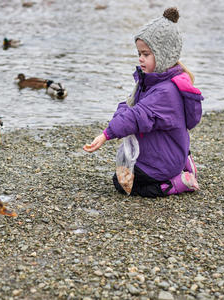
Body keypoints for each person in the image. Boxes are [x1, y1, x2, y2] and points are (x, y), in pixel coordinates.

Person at [83, 7, 204, 198]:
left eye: (146, 54)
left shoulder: (166, 92)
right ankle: (184, 161)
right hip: (166, 149)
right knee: (123, 174)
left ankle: (175, 183)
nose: (140, 58)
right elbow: (130, 106)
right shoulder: (151, 81)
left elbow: (137, 115)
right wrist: (119, 119)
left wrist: (107, 134)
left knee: (123, 184)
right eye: (139, 53)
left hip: (164, 160)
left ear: (163, 56)